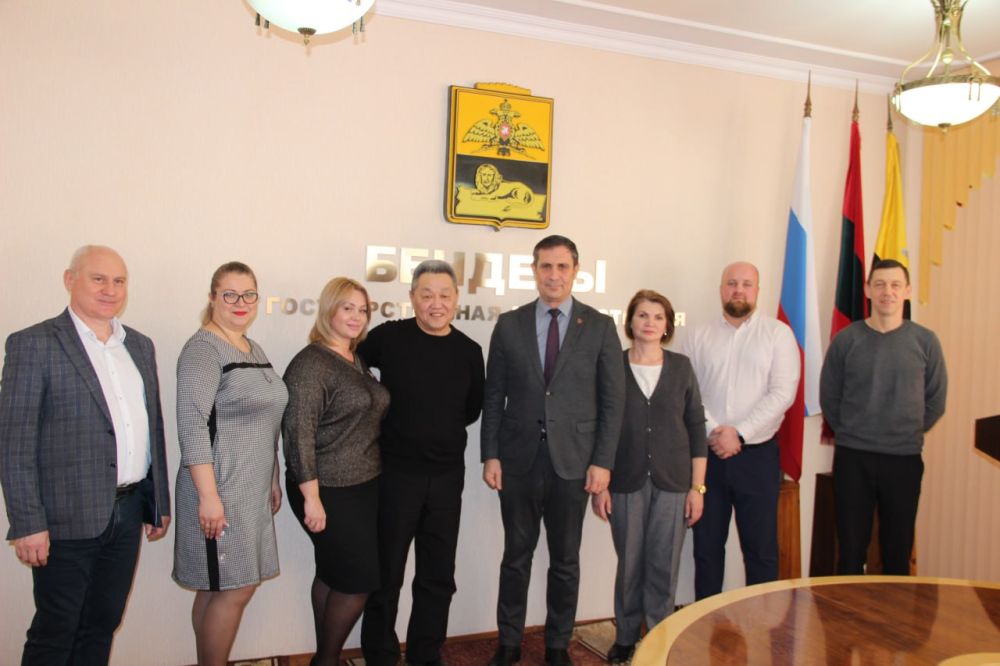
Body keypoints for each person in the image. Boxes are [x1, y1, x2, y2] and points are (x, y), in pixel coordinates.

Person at [0, 244, 171, 665]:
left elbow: (152, 428)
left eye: (119, 281)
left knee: (102, 624)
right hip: (64, 519)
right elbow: (14, 443)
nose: (110, 289)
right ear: (69, 280)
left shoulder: (140, 346)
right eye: (98, 279)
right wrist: (27, 523)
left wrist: (158, 502)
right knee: (56, 631)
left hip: (127, 512)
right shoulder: (34, 344)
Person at [481, 235, 625, 666]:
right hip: (518, 460)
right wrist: (491, 454)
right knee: (516, 557)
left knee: (565, 560)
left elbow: (613, 402)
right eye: (546, 266)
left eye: (562, 267)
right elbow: (494, 395)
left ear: (575, 271)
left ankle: (557, 644)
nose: (554, 275)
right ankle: (509, 641)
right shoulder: (510, 324)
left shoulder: (599, 326)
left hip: (575, 463)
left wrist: (603, 462)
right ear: (534, 270)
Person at [360, 260, 485, 666]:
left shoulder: (470, 351)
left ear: (456, 299)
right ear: (412, 297)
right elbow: (351, 364)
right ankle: (380, 655)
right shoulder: (388, 337)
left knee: (437, 576)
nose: (436, 303)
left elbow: (471, 409)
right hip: (395, 475)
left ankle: (425, 654)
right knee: (387, 574)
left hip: (447, 478)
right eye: (427, 294)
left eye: (444, 295)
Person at [173, 261, 287, 665]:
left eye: (249, 294)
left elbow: (266, 419)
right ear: (212, 298)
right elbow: (191, 425)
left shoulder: (251, 347)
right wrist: (209, 497)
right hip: (219, 489)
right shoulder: (203, 350)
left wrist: (273, 475)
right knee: (234, 586)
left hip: (250, 490)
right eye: (230, 294)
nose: (241, 302)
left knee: (218, 586)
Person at [591, 290, 707, 664]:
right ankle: (625, 638)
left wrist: (698, 487)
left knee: (663, 565)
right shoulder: (612, 365)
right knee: (630, 565)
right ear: (630, 321)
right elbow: (599, 425)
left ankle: (659, 638)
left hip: (674, 483)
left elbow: (696, 427)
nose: (650, 323)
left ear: (668, 325)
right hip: (624, 480)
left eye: (658, 317)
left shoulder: (681, 367)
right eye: (643, 315)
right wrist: (600, 485)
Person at [283, 277, 389, 666]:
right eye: (348, 308)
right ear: (329, 310)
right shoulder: (311, 364)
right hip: (326, 488)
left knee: (333, 574)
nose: (356, 317)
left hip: (362, 486)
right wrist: (311, 498)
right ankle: (325, 661)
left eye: (363, 310)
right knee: (357, 582)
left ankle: (323, 659)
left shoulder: (354, 358)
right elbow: (298, 434)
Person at [819, 259, 947, 575]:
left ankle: (894, 610)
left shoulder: (926, 341)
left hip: (903, 460)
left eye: (894, 285)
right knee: (850, 552)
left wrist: (907, 432)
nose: (887, 292)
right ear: (867, 290)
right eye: (879, 284)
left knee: (897, 552)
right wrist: (852, 431)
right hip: (853, 458)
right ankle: (849, 609)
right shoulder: (846, 340)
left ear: (907, 291)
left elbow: (936, 399)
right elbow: (830, 396)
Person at [680, 261, 798, 600]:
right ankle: (705, 620)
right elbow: (687, 392)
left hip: (757, 457)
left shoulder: (778, 335)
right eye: (732, 283)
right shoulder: (697, 336)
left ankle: (764, 625)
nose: (738, 290)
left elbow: (782, 393)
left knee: (761, 550)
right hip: (707, 459)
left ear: (757, 291)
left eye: (746, 284)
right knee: (706, 548)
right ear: (721, 289)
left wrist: (740, 433)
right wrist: (716, 431)